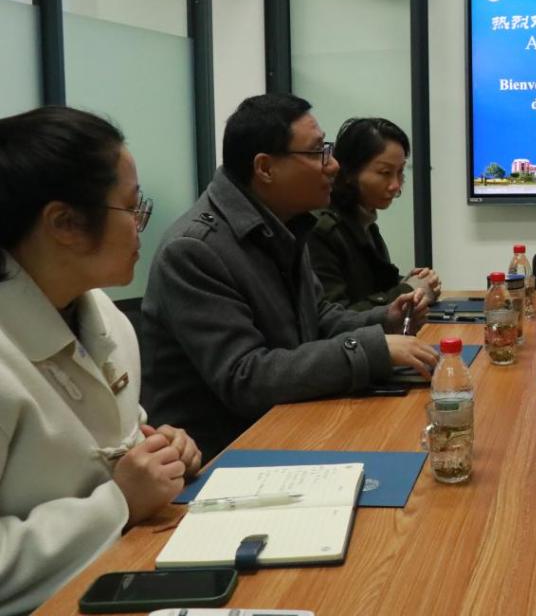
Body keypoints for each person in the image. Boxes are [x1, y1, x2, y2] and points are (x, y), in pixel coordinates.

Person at [140, 94, 438, 461]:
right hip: (225, 457)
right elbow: (246, 377)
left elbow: (318, 317)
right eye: (317, 153)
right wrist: (372, 349)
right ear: (265, 168)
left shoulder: (284, 223)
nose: (333, 166)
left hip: (288, 429)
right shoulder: (195, 249)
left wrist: (385, 319)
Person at [0, 107, 201, 615]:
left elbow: (115, 440)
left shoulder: (103, 315)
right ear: (64, 223)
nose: (140, 226)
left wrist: (161, 451)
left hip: (120, 572)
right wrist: (118, 502)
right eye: (132, 208)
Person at [309, 117, 441, 311]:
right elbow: (336, 317)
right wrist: (407, 290)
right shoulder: (320, 230)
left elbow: (374, 288)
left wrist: (416, 284)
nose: (395, 185)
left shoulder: (364, 221)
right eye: (385, 172)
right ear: (349, 172)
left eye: (400, 172)